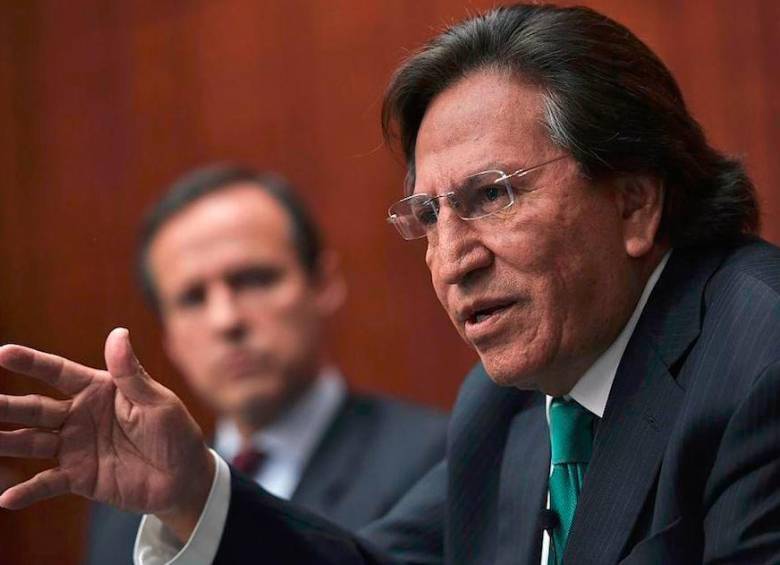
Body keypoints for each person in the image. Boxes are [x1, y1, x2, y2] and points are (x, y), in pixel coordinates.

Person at [1, 3, 779, 564]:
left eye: (492, 195)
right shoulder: (505, 406)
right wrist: (193, 493)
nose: (452, 258)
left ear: (635, 202)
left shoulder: (760, 361)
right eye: (429, 216)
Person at [81, 165, 448, 563]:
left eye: (253, 280)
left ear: (323, 284)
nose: (226, 320)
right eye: (192, 298)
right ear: (168, 336)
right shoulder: (132, 512)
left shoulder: (434, 462)